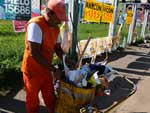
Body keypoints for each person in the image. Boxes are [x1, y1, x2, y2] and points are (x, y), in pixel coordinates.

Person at [21, 0, 68, 113]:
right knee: (32, 100)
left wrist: (65, 59)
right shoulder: (36, 25)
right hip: (32, 70)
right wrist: (53, 69)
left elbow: (57, 48)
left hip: (46, 68)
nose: (59, 22)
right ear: (50, 13)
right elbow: (35, 53)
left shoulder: (55, 28)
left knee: (50, 96)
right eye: (58, 18)